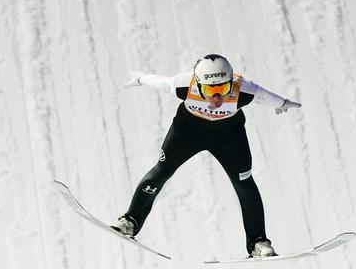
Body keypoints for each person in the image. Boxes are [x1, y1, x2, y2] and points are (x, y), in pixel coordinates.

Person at [112, 54, 301, 258]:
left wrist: (282, 104)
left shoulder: (244, 88)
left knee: (244, 183)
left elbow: (265, 96)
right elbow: (160, 82)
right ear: (199, 85)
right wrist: (140, 78)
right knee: (162, 171)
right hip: (187, 133)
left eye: (223, 89)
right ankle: (130, 221)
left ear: (231, 82)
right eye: (211, 90)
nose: (217, 97)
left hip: (228, 136)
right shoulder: (183, 84)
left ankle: (258, 242)